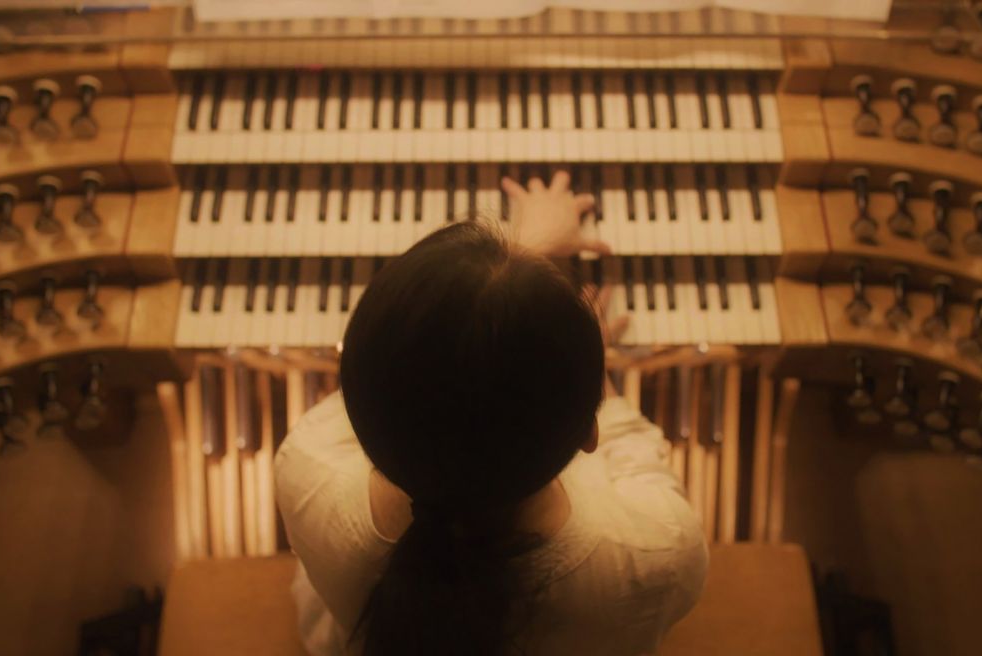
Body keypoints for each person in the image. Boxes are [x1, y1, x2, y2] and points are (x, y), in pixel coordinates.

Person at [275, 171, 708, 656]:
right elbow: (636, 457)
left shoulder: (304, 466)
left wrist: (516, 260)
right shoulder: (659, 554)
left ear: (363, 419)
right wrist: (587, 367)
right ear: (591, 428)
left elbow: (396, 370)